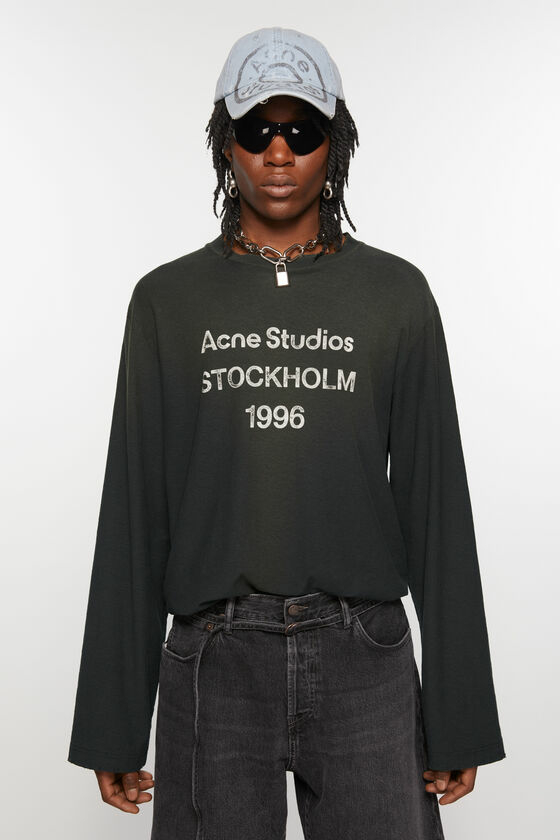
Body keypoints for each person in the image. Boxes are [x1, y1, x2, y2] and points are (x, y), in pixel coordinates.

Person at [67, 26, 506, 839]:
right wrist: (111, 722)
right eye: (256, 129)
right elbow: (134, 511)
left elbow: (436, 505)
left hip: (364, 653)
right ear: (223, 143)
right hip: (214, 659)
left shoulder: (396, 296)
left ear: (334, 144)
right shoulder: (167, 302)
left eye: (302, 131)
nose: (278, 152)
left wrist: (461, 717)